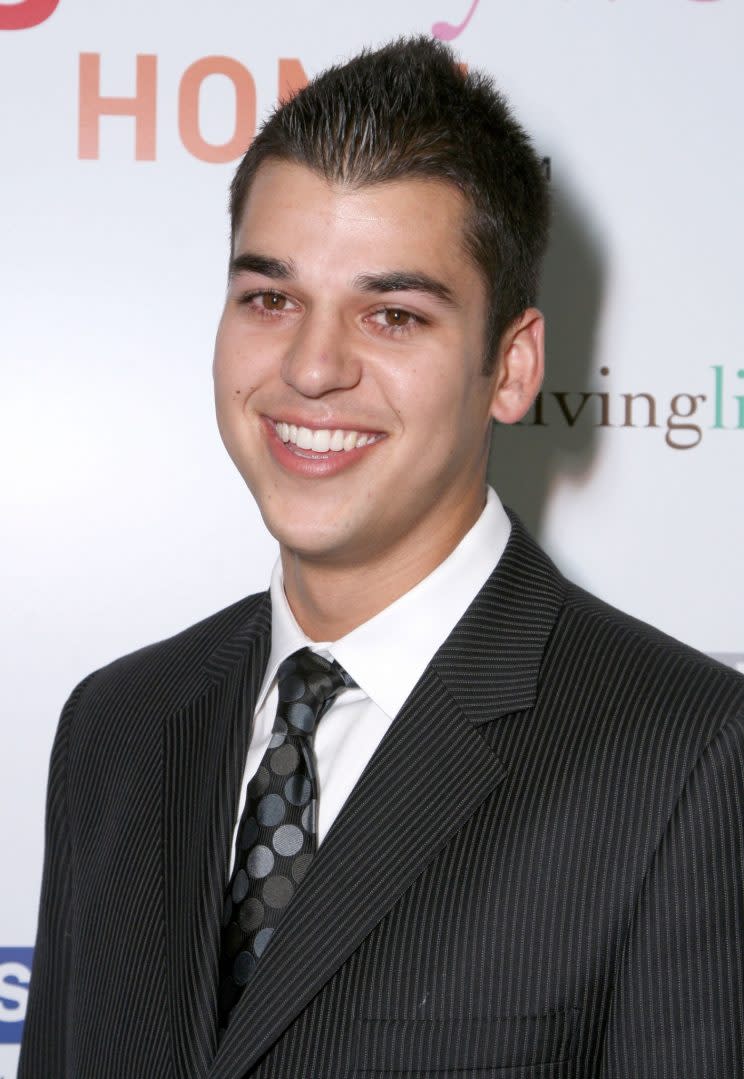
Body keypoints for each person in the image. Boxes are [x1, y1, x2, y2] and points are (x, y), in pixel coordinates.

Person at [20, 36, 743, 1079]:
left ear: (512, 365)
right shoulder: (117, 726)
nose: (312, 368)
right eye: (271, 298)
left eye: (393, 314)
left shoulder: (685, 757)